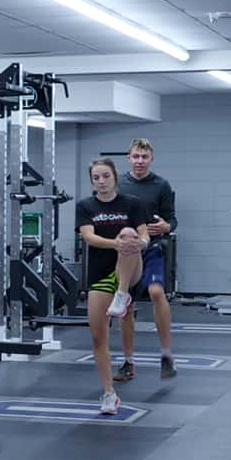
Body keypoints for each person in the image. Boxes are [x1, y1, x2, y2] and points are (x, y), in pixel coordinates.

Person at [76, 158, 149, 415]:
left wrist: (137, 243)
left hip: (131, 268)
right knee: (98, 337)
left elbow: (144, 235)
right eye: (96, 178)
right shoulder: (86, 206)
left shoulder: (132, 204)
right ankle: (109, 394)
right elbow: (88, 236)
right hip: (101, 275)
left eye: (106, 176)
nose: (102, 181)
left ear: (114, 176)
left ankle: (123, 293)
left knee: (129, 233)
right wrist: (114, 243)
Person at [115, 138, 178, 381]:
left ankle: (166, 355)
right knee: (126, 305)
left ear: (151, 159)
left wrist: (165, 226)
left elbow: (172, 220)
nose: (140, 161)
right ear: (129, 158)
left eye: (144, 157)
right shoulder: (118, 184)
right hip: (126, 251)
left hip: (152, 248)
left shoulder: (161, 185)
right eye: (136, 157)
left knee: (156, 292)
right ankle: (128, 362)